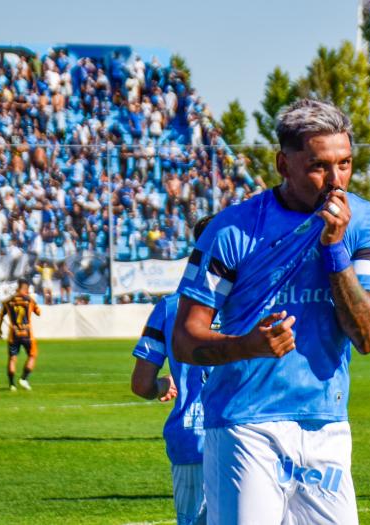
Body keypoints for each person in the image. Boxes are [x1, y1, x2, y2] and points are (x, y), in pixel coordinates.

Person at [172, 99, 370, 524]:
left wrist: (334, 248)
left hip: (326, 423)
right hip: (244, 425)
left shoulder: (362, 221)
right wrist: (249, 345)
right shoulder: (233, 229)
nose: (335, 181)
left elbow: (368, 336)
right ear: (282, 164)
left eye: (344, 164)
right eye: (319, 166)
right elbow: (184, 339)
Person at [130, 217, 214, 525]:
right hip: (246, 433)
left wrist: (161, 386)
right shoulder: (251, 303)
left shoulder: (170, 306)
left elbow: (141, 383)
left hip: (192, 434)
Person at [0, 279, 41, 391]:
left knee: (12, 358)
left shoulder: (8, 301)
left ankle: (12, 385)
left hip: (14, 334)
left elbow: (1, 315)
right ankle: (24, 378)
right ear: (26, 288)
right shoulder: (29, 300)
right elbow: (39, 312)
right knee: (32, 355)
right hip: (27, 333)